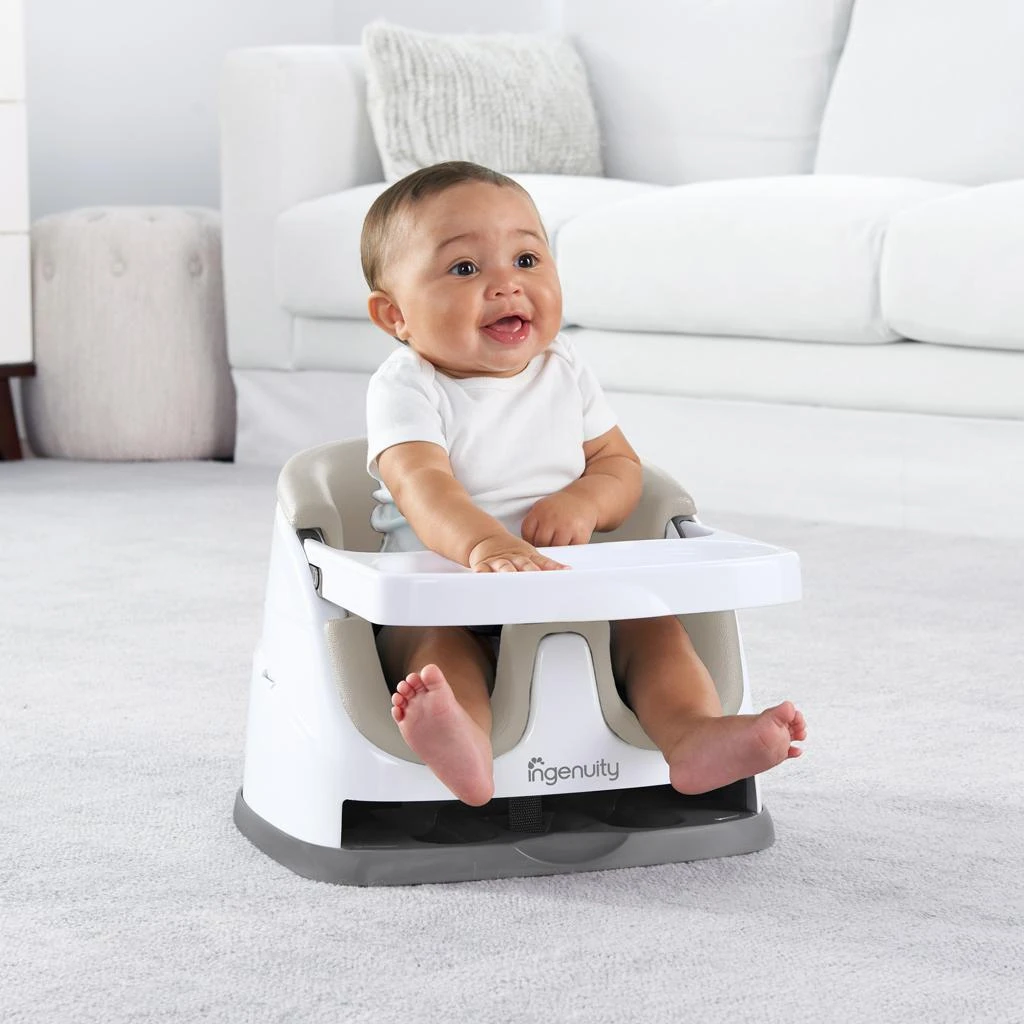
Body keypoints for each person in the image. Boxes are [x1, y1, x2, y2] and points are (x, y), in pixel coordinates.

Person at [362, 161, 806, 806]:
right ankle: (463, 743)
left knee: (652, 627)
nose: (505, 285)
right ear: (394, 315)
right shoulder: (407, 386)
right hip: (445, 595)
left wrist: (584, 500)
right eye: (464, 268)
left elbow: (622, 467)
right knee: (435, 657)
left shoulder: (563, 366)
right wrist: (487, 546)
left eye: (526, 259)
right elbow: (421, 484)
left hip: (566, 587)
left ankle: (693, 735)